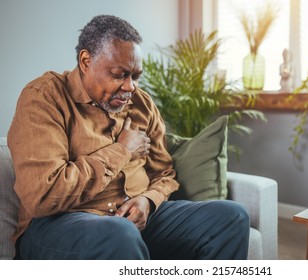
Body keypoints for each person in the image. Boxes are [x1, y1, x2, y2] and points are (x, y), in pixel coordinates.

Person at [7, 15, 249, 260]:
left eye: (135, 76)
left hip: (134, 223)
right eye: (119, 74)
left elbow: (164, 174)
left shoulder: (141, 103)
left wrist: (147, 201)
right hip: (60, 225)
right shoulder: (44, 97)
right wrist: (121, 150)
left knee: (231, 217)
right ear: (85, 61)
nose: (130, 87)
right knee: (119, 233)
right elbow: (43, 196)